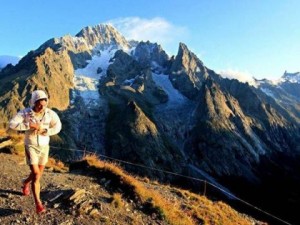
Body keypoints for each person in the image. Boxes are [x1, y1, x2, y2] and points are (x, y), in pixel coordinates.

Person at [9, 90, 62, 213]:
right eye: (39, 104)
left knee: (36, 175)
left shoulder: (50, 113)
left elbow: (58, 126)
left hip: (44, 147)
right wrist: (28, 126)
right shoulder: (25, 113)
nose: (42, 107)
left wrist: (45, 130)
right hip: (30, 146)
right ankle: (38, 204)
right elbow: (12, 124)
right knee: (37, 174)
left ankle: (25, 183)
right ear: (34, 103)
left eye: (44, 104)